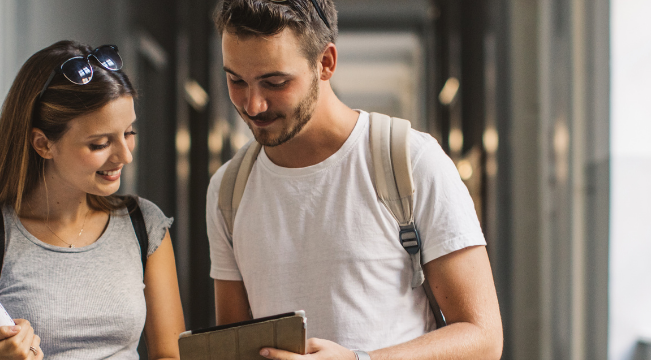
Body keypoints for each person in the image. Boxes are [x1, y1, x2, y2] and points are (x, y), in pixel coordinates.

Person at [206, 1, 504, 359]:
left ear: (325, 63)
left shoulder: (412, 162)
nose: (253, 105)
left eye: (275, 82)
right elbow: (233, 350)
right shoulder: (228, 189)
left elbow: (484, 338)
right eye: (236, 80)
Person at [0, 41, 184, 360]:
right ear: (43, 144)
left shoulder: (143, 225)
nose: (125, 156)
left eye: (129, 133)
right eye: (100, 143)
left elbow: (170, 355)